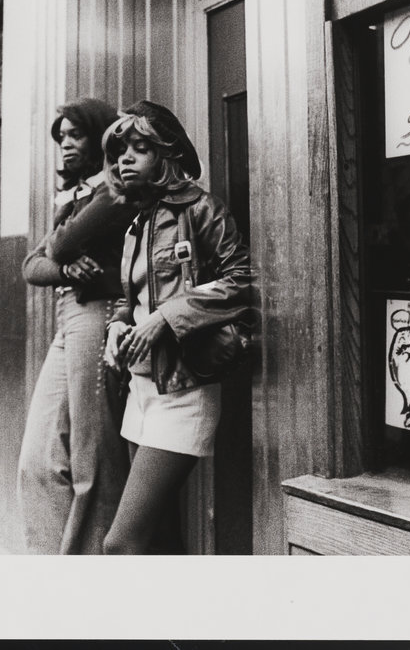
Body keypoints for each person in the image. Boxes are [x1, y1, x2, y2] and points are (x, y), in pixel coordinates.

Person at [100, 100, 253, 555]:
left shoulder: (202, 210)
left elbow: (242, 279)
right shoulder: (136, 224)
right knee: (158, 538)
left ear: (167, 155)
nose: (126, 158)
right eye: (121, 150)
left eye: (140, 148)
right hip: (142, 389)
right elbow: (131, 302)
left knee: (121, 543)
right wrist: (116, 327)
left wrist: (167, 318)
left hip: (185, 390)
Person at [17, 98, 137, 554]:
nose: (65, 144)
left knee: (93, 458)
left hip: (98, 315)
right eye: (60, 137)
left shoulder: (113, 188)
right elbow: (33, 266)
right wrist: (65, 269)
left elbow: (62, 244)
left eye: (75, 135)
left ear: (100, 136)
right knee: (38, 458)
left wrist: (61, 253)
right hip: (68, 318)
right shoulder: (77, 195)